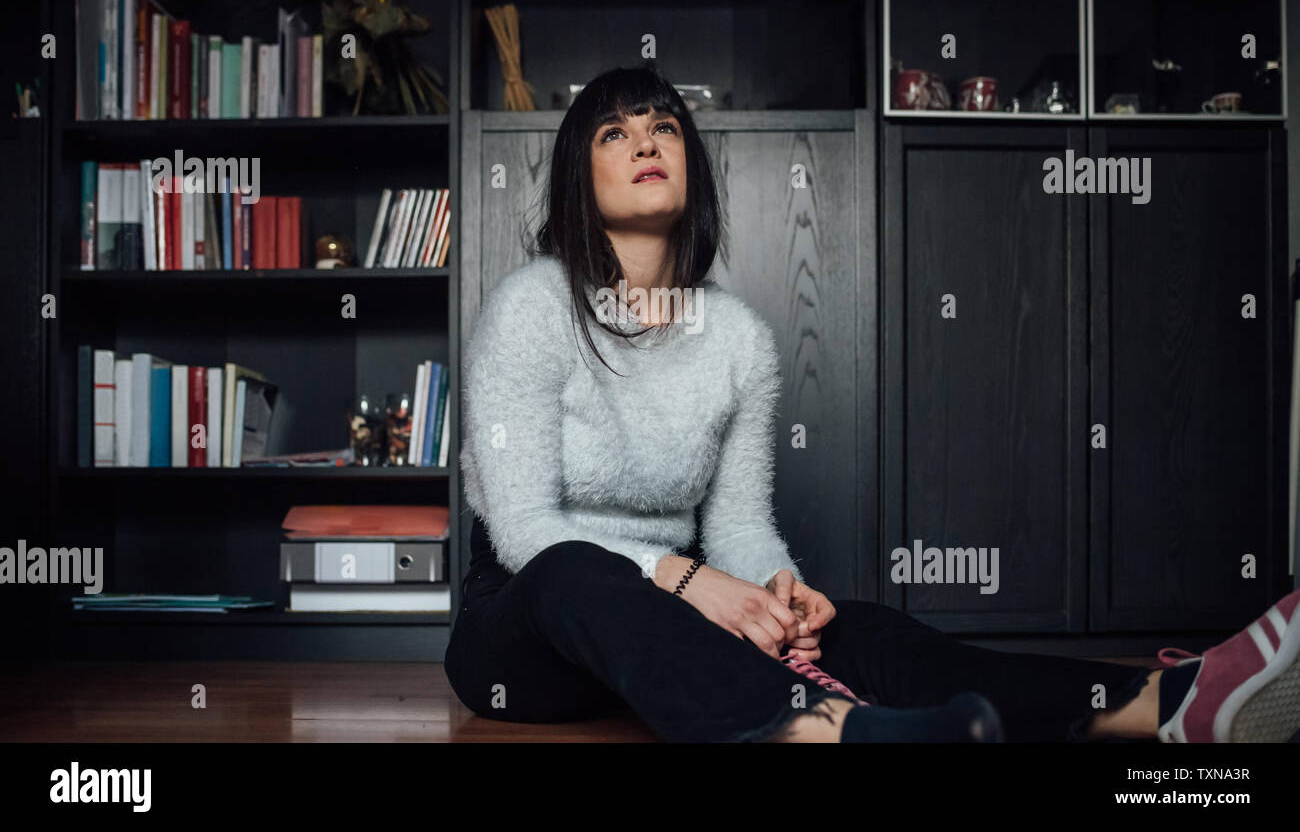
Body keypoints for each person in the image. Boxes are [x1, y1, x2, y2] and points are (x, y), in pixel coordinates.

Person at [443, 64, 1300, 743]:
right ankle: (829, 732)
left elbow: (738, 524)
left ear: (691, 162)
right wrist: (685, 578)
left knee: (862, 629)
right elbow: (524, 531)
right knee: (571, 570)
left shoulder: (738, 337)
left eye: (663, 125)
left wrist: (783, 592)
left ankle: (1164, 704)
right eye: (615, 131)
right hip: (524, 637)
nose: (646, 141)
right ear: (577, 173)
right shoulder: (531, 305)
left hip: (666, 630)